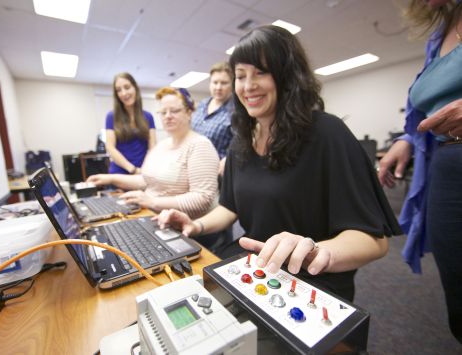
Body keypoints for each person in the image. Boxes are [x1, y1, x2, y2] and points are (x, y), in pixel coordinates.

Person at [156, 25, 402, 301]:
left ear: (287, 75)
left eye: (260, 72)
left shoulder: (327, 133)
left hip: (311, 281)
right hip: (256, 268)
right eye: (240, 76)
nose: (248, 86)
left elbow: (374, 241)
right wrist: (194, 225)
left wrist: (318, 252)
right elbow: (229, 207)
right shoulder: (242, 141)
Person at [378, 0, 462, 342]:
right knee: (457, 290)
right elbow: (428, 105)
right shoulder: (441, 32)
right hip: (447, 167)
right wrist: (410, 138)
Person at [87, 87, 219, 219]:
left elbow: (202, 198)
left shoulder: (200, 145)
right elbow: (146, 180)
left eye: (174, 111)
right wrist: (110, 178)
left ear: (189, 113)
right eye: (163, 112)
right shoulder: (161, 146)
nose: (168, 116)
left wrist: (152, 202)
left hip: (184, 226)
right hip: (150, 216)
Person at [105, 72, 156, 175]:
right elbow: (110, 147)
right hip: (119, 174)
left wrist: (143, 170)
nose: (123, 93)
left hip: (144, 172)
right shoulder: (111, 116)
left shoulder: (148, 117)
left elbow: (152, 148)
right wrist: (132, 169)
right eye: (119, 90)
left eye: (127, 87)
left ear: (135, 87)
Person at [191, 62, 234, 175]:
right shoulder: (202, 105)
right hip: (192, 168)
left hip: (216, 173)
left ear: (232, 84)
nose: (218, 87)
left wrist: (229, 160)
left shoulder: (236, 111)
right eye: (215, 82)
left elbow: (241, 145)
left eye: (224, 83)